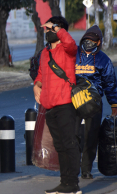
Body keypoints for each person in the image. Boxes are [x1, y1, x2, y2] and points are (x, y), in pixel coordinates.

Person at [33, 16, 82, 194]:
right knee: (60, 146)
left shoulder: (67, 50)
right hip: (50, 107)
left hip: (65, 105)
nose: (48, 32)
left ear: (60, 30)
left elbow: (71, 43)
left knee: (69, 144)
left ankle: (73, 184)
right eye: (46, 29)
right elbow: (40, 75)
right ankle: (65, 182)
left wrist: (56, 28)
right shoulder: (45, 53)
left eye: (51, 29)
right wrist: (36, 86)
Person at [75, 25, 117, 179]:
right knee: (72, 135)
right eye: (87, 39)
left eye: (93, 40)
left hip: (94, 103)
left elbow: (110, 83)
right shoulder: (73, 54)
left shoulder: (103, 60)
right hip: (74, 101)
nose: (89, 42)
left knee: (91, 136)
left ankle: (86, 169)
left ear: (99, 42)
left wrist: (113, 103)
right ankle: (72, 168)